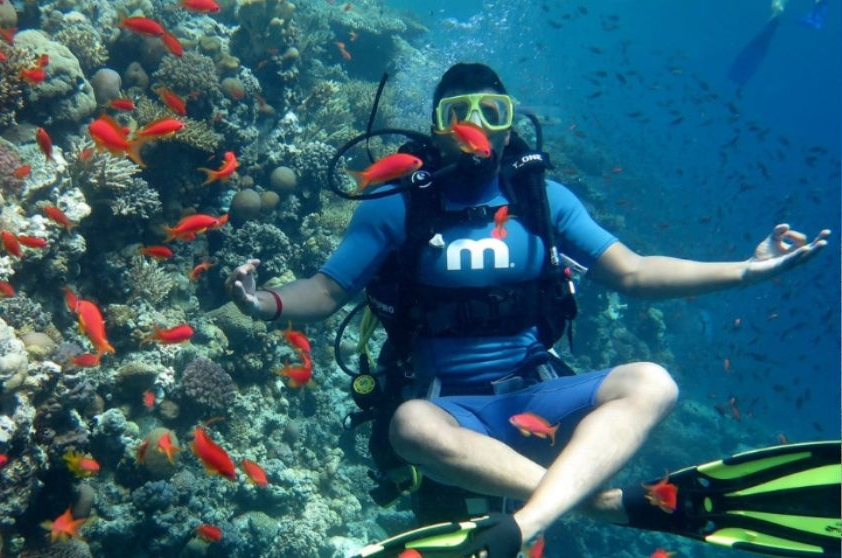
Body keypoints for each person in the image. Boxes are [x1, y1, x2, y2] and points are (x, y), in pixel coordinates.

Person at [226, 63, 832, 557]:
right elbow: (328, 291)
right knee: (407, 425)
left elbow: (635, 272)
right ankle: (608, 505)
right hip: (450, 411)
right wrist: (265, 302)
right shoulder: (396, 207)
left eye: (493, 113)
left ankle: (531, 519)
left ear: (512, 123)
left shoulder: (542, 200)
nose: (477, 129)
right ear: (436, 129)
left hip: (541, 396)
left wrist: (746, 270)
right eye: (457, 115)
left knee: (653, 381)